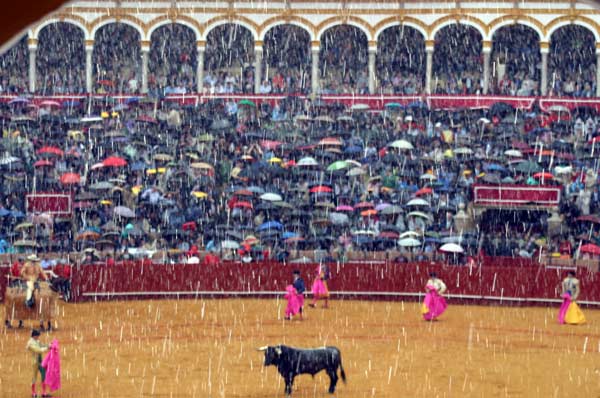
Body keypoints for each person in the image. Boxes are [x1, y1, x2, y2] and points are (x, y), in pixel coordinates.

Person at [26, 329, 49, 398]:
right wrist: (47, 348)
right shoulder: (30, 344)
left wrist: (49, 345)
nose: (38, 337)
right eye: (37, 335)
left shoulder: (37, 341)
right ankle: (33, 393)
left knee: (43, 374)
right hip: (35, 362)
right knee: (34, 377)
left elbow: (42, 345)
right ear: (34, 336)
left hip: (40, 361)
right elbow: (38, 350)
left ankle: (44, 393)